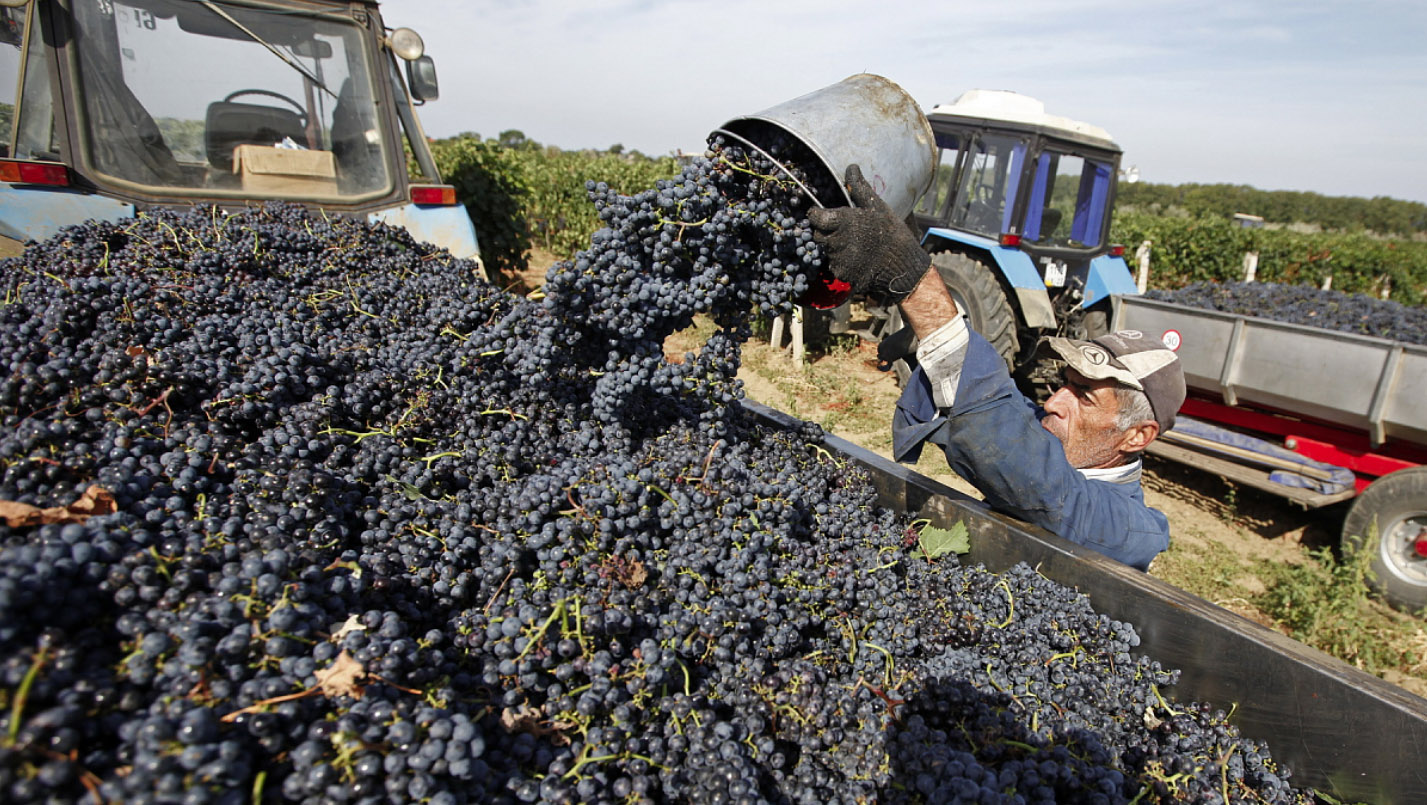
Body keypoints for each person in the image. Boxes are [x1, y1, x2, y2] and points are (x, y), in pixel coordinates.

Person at [809, 165, 1186, 570]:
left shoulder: (1130, 529)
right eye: (1066, 384)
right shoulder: (1055, 439)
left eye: (1085, 396)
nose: (1056, 400)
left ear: (1137, 436)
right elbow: (995, 416)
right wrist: (930, 344)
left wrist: (916, 283)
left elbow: (1035, 478)